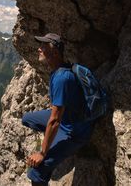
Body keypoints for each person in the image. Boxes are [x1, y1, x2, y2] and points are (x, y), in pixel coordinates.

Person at [22, 33, 95, 186]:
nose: (39, 49)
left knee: (36, 169)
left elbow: (54, 120)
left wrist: (42, 152)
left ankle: (54, 146)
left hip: (73, 132)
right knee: (27, 119)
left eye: (43, 46)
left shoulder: (62, 77)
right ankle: (53, 139)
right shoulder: (59, 69)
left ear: (55, 52)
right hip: (66, 119)